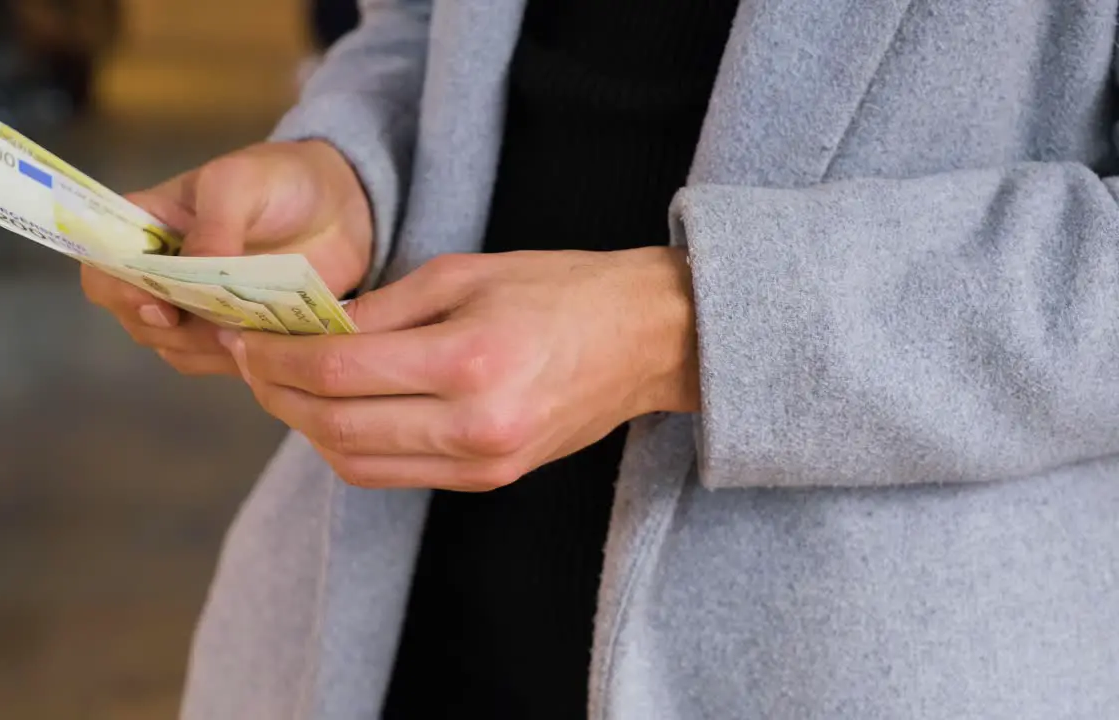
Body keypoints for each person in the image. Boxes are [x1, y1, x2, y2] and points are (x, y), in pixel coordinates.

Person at [81, 1, 1119, 718]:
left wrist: (681, 326)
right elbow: (419, 24)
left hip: (866, 649)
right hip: (379, 601)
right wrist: (348, 163)